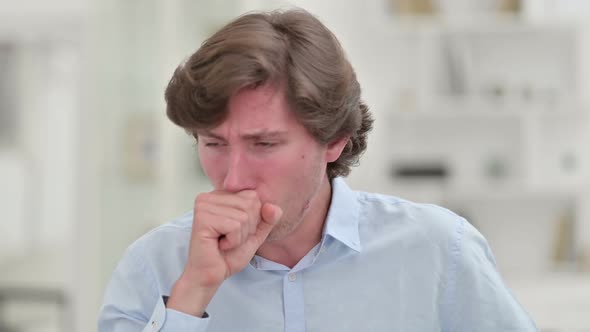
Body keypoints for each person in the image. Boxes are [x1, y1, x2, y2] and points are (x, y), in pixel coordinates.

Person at [98, 8, 538, 332]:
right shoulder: (153, 266)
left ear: (334, 140)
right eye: (213, 143)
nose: (232, 179)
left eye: (264, 144)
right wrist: (191, 295)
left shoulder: (441, 251)